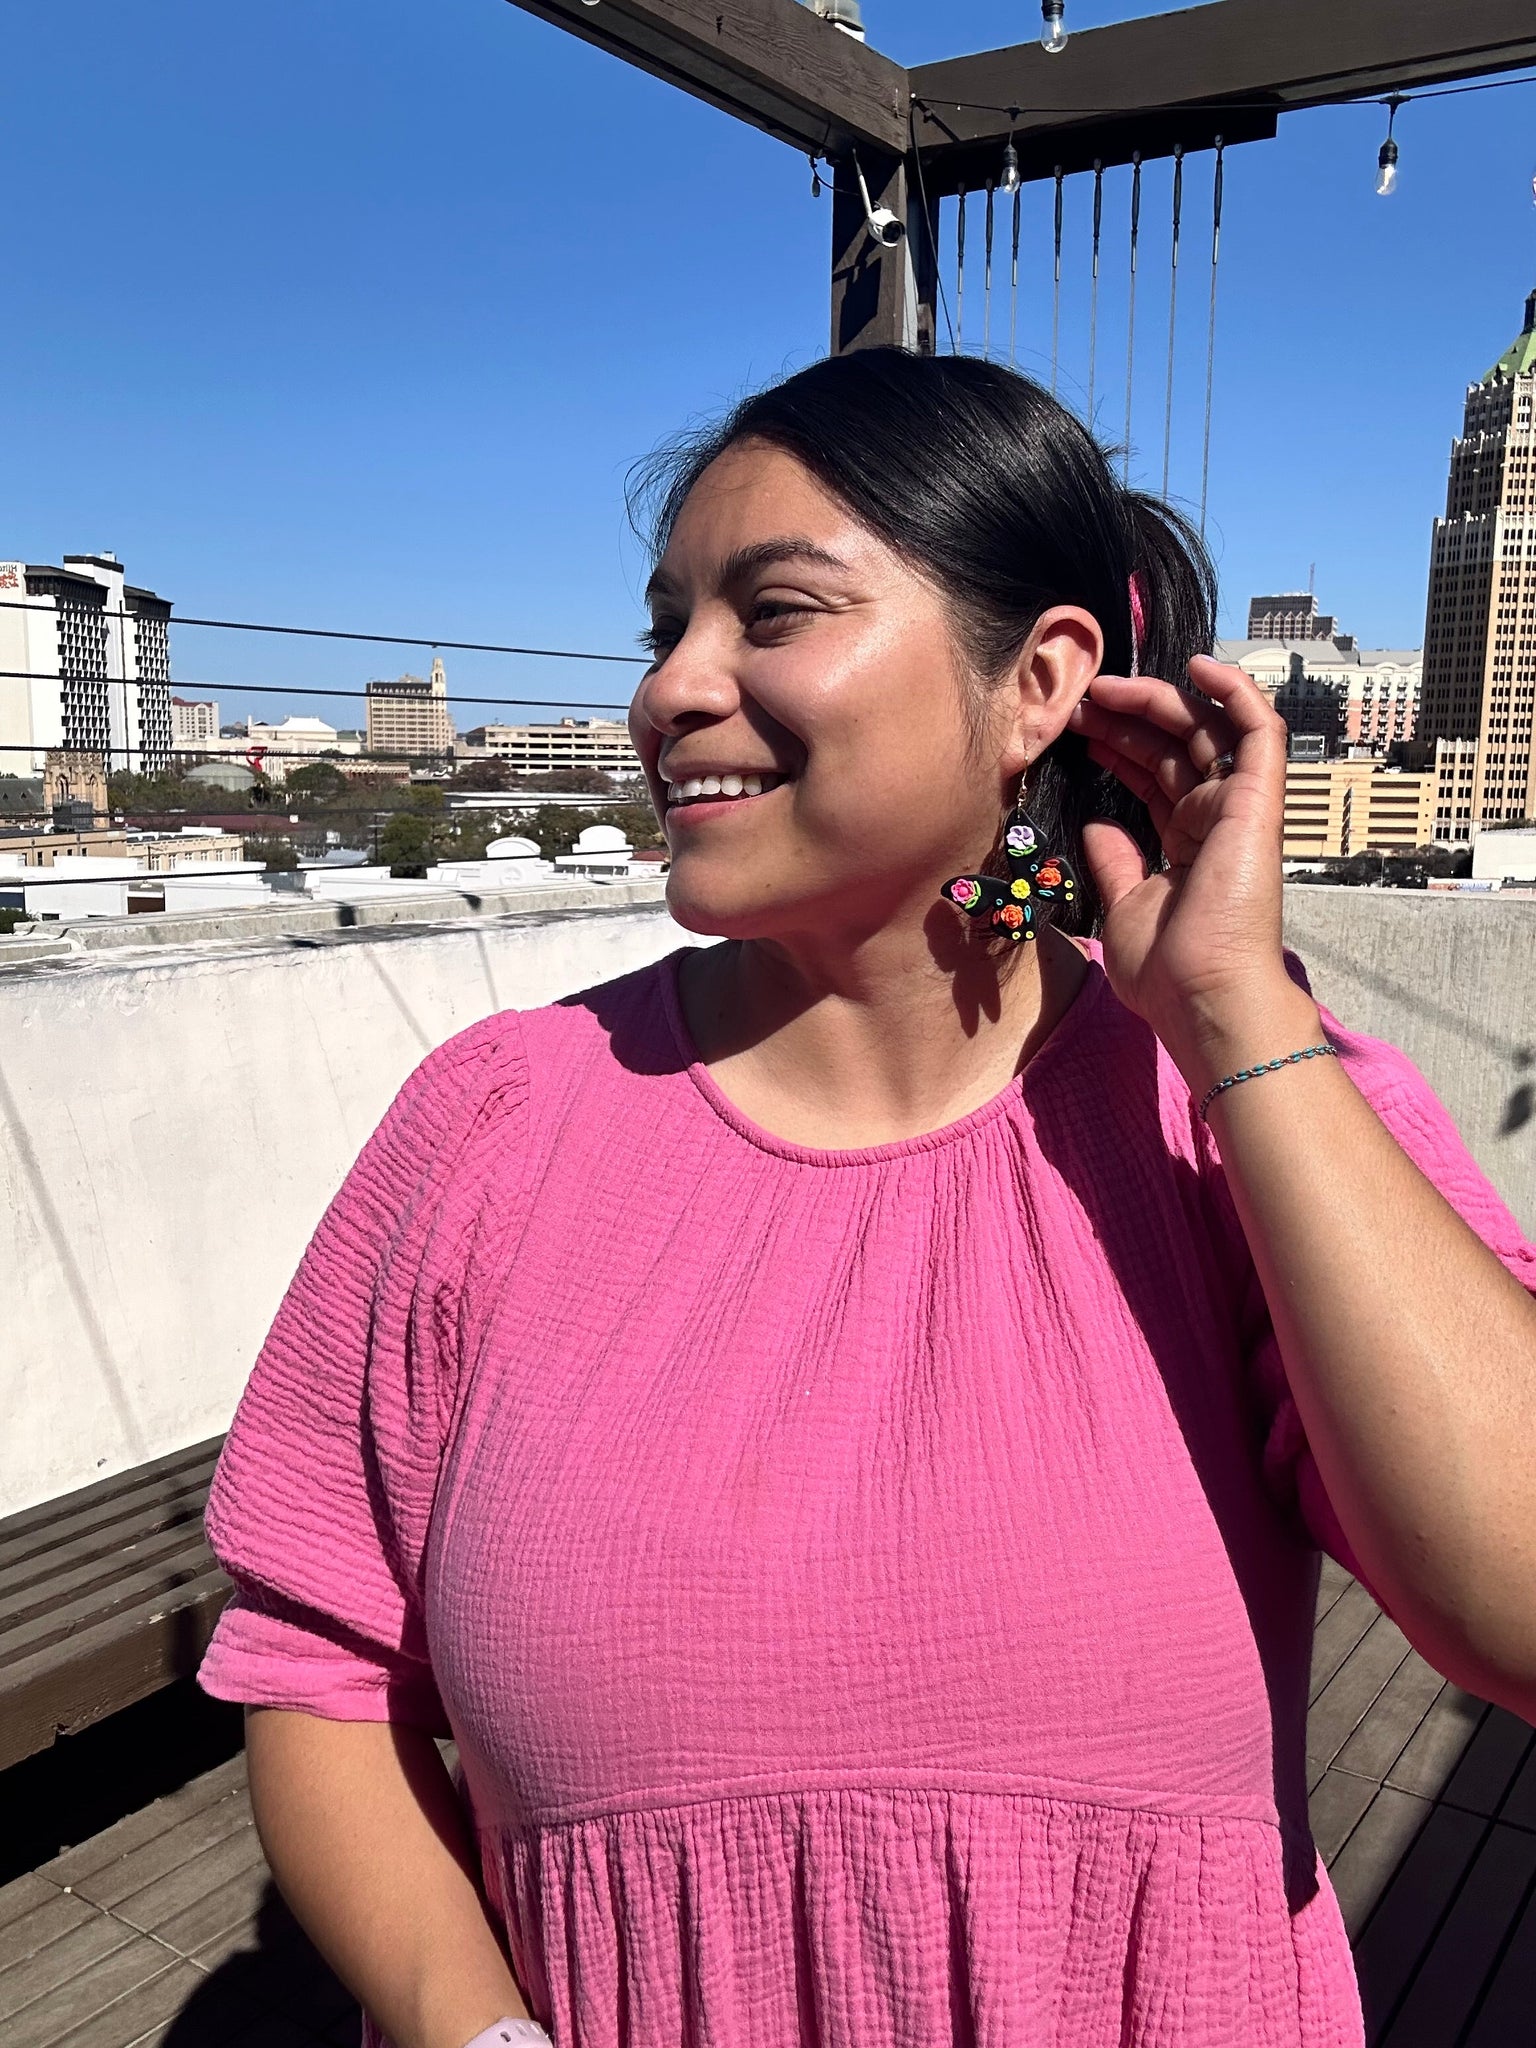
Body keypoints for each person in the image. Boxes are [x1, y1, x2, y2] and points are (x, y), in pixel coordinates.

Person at [200, 351, 1536, 2048]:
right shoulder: (492, 1127)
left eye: (771, 613)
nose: (670, 691)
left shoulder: (1235, 1117)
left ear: (1038, 682)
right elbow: (319, 1664)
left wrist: (1234, 1015)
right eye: (664, 627)